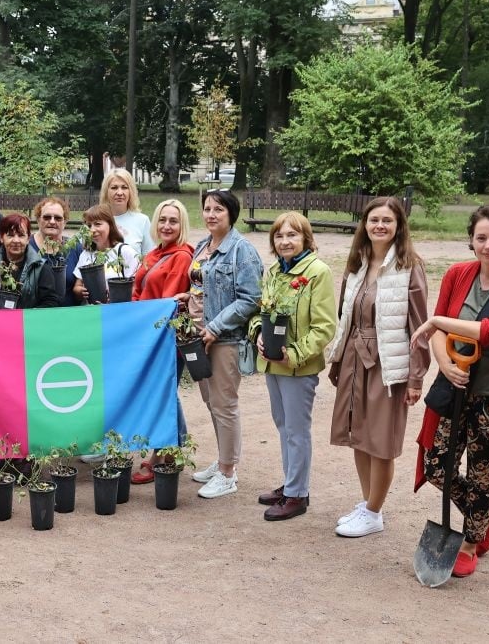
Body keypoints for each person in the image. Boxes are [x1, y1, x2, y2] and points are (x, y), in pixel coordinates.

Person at [410, 205, 489, 578]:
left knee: (482, 471)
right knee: (436, 465)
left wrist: (436, 321)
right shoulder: (457, 274)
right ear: (471, 240)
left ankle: (471, 542)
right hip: (453, 387)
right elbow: (439, 337)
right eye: (481, 237)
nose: (487, 245)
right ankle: (484, 516)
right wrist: (445, 364)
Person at [325, 197, 429, 537]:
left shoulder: (409, 265)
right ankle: (368, 502)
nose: (380, 226)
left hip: (388, 363)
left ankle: (373, 511)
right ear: (365, 225)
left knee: (380, 441)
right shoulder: (357, 263)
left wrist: (416, 376)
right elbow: (345, 316)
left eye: (387, 220)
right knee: (358, 436)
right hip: (356, 357)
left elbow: (419, 326)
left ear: (399, 226)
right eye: (374, 220)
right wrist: (338, 359)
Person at [175, 191, 263, 496]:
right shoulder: (203, 245)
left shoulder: (241, 250)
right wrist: (188, 296)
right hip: (198, 338)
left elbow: (251, 298)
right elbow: (200, 285)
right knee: (211, 403)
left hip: (223, 339)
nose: (212, 214)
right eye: (207, 209)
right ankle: (223, 460)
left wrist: (215, 326)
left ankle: (228, 473)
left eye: (219, 209)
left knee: (225, 405)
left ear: (231, 214)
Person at [251, 212, 336, 521]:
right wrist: (258, 334)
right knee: (283, 426)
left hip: (297, 366)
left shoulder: (317, 272)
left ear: (306, 239)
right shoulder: (274, 271)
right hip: (273, 364)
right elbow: (261, 312)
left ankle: (297, 495)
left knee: (297, 431)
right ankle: (290, 484)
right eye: (279, 236)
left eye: (292, 235)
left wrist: (296, 353)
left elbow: (325, 326)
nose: (285, 241)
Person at [129, 199, 196, 485]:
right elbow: (136, 288)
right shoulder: (154, 253)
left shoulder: (181, 256)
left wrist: (142, 318)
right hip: (145, 331)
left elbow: (167, 300)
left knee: (165, 392)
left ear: (182, 226)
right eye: (163, 220)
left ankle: (165, 452)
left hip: (164, 334)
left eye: (173, 221)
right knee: (160, 392)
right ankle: (170, 450)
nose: (167, 226)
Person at [0, 214, 60, 308]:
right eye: (10, 235)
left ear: (28, 238)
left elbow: (50, 302)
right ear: (1, 238)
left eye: (21, 235)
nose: (16, 240)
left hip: (29, 322)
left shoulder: (41, 268)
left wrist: (25, 316)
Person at [72, 204, 139, 302]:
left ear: (110, 225)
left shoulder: (124, 252)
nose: (92, 230)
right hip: (93, 311)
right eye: (89, 226)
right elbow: (77, 285)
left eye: (97, 224)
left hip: (118, 310)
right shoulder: (86, 255)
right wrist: (80, 291)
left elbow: (136, 286)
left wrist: (117, 296)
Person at [31, 197, 82, 306]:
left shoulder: (75, 248)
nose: (52, 221)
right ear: (38, 219)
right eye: (47, 217)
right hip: (37, 316)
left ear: (65, 222)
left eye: (58, 218)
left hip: (69, 316)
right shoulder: (27, 247)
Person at [99, 168, 154, 258]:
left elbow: (150, 258)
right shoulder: (96, 221)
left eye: (124, 187)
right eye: (114, 187)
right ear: (106, 191)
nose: (119, 192)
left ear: (131, 191)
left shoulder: (142, 221)